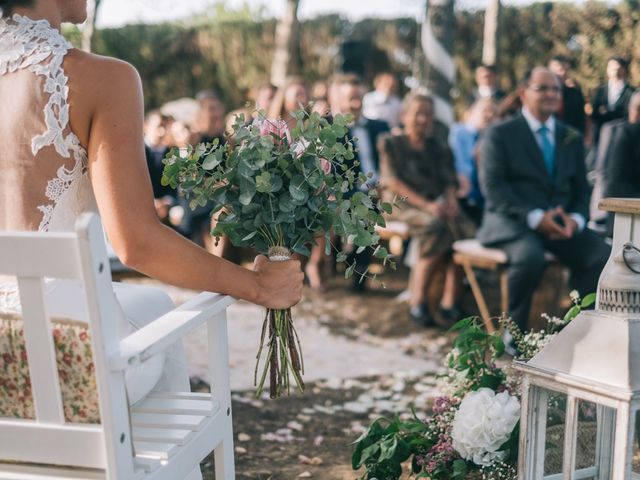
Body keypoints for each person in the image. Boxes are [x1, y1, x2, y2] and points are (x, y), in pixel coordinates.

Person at [0, 3, 303, 474]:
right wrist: (258, 287)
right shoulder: (103, 78)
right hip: (64, 369)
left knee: (156, 306)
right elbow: (136, 243)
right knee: (155, 345)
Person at [478, 67, 610, 340]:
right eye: (543, 88)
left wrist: (577, 218)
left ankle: (567, 333)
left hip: (561, 224)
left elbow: (581, 189)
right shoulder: (499, 133)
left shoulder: (569, 136)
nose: (551, 94)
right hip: (513, 223)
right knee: (530, 258)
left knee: (602, 256)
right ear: (524, 93)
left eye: (556, 89)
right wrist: (536, 218)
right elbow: (494, 189)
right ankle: (513, 336)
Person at [380, 94, 473, 327]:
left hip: (435, 202)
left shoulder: (438, 146)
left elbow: (449, 179)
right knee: (434, 226)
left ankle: (450, 301)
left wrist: (451, 201)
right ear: (404, 116)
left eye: (428, 114)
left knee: (465, 229)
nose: (423, 119)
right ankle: (418, 301)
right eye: (418, 113)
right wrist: (428, 205)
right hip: (400, 204)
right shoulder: (390, 143)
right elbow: (392, 182)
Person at [589, 91, 640, 228]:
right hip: (625, 214)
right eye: (638, 109)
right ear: (630, 108)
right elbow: (609, 179)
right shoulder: (617, 131)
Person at [448, 98, 497, 226]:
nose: (490, 115)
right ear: (470, 113)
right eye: (486, 110)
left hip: (485, 198)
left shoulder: (491, 137)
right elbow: (460, 164)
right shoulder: (459, 132)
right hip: (465, 195)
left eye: (494, 112)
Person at [589, 57, 635, 155]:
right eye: (611, 67)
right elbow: (594, 115)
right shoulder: (600, 91)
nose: (615, 71)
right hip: (600, 140)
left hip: (622, 140)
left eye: (618, 68)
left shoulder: (632, 93)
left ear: (624, 70)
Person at [547, 54, 586, 134]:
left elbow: (582, 119)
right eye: (560, 70)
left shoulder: (575, 94)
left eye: (566, 70)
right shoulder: (540, 94)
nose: (563, 73)